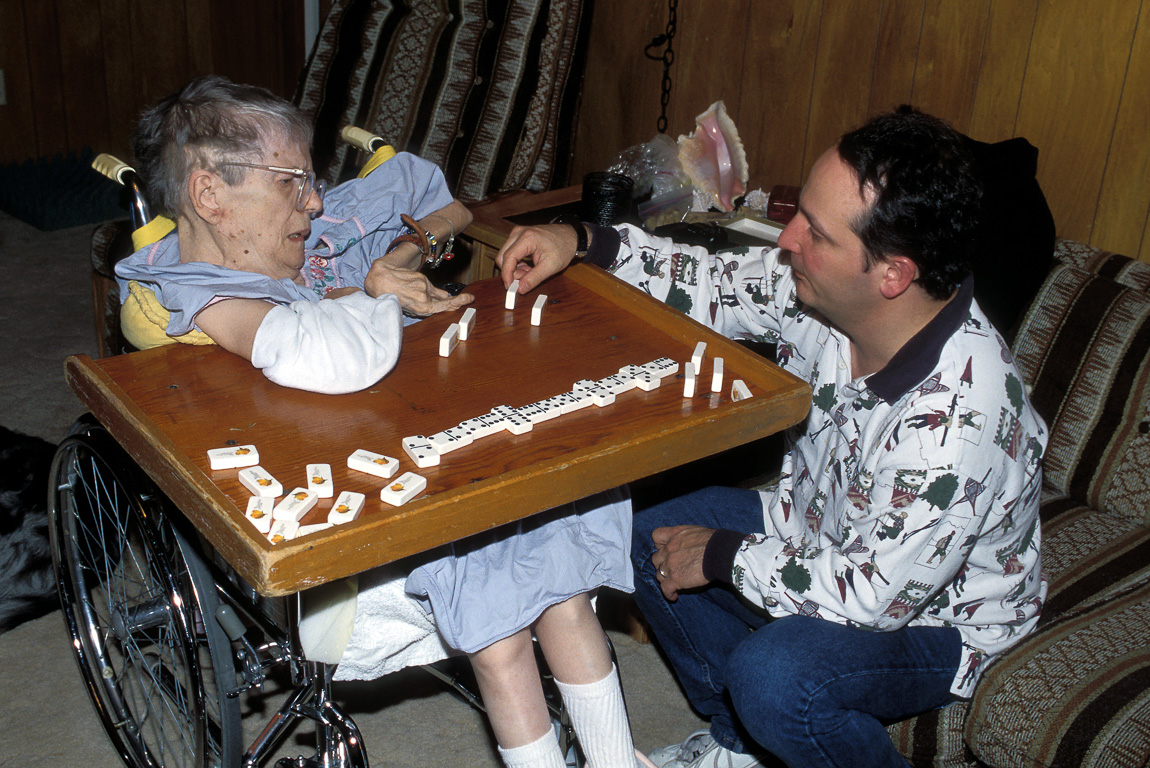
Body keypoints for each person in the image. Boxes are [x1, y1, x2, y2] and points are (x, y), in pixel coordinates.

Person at [116, 76, 652, 768]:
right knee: (506, 619)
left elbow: (437, 202)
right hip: (349, 516)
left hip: (420, 442)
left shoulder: (298, 238)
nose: (314, 202)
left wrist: (398, 255)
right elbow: (318, 353)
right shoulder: (194, 290)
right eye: (293, 183)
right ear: (209, 196)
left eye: (313, 182)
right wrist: (371, 289)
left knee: (559, 566)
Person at [495, 106, 1048, 768]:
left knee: (776, 677)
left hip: (938, 622)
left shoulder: (962, 422)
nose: (786, 239)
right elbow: (707, 281)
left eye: (815, 232)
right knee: (629, 528)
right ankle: (740, 747)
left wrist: (726, 554)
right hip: (816, 527)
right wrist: (583, 239)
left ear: (893, 274)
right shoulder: (822, 291)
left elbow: (868, 598)